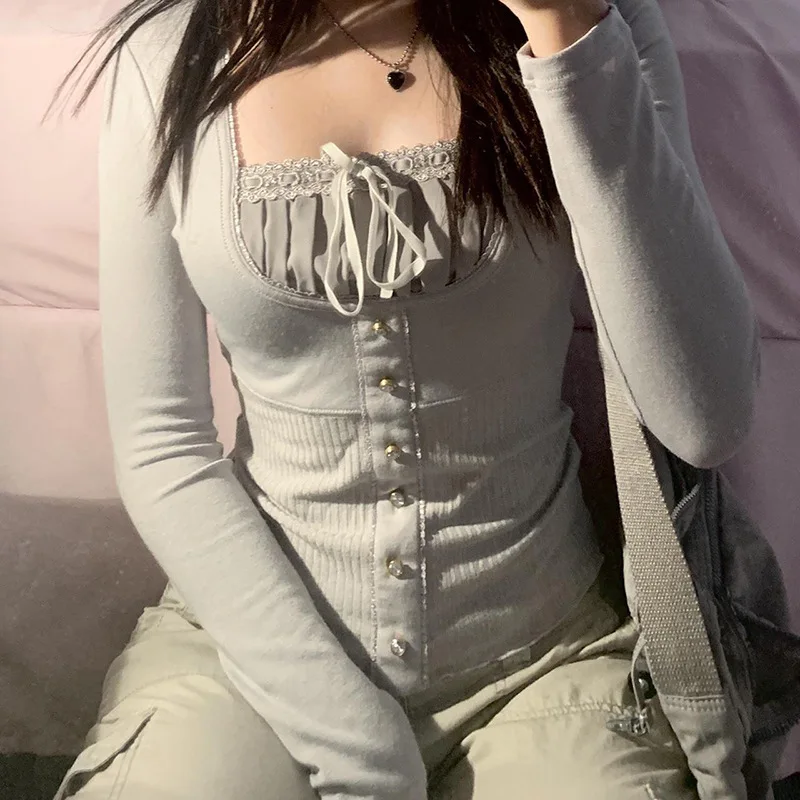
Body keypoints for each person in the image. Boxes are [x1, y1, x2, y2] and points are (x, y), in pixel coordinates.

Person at [53, 0, 761, 797]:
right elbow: (162, 441)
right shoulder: (169, 57)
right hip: (252, 658)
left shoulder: (603, 28)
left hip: (547, 657)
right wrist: (357, 743)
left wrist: (570, 40)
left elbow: (706, 419)